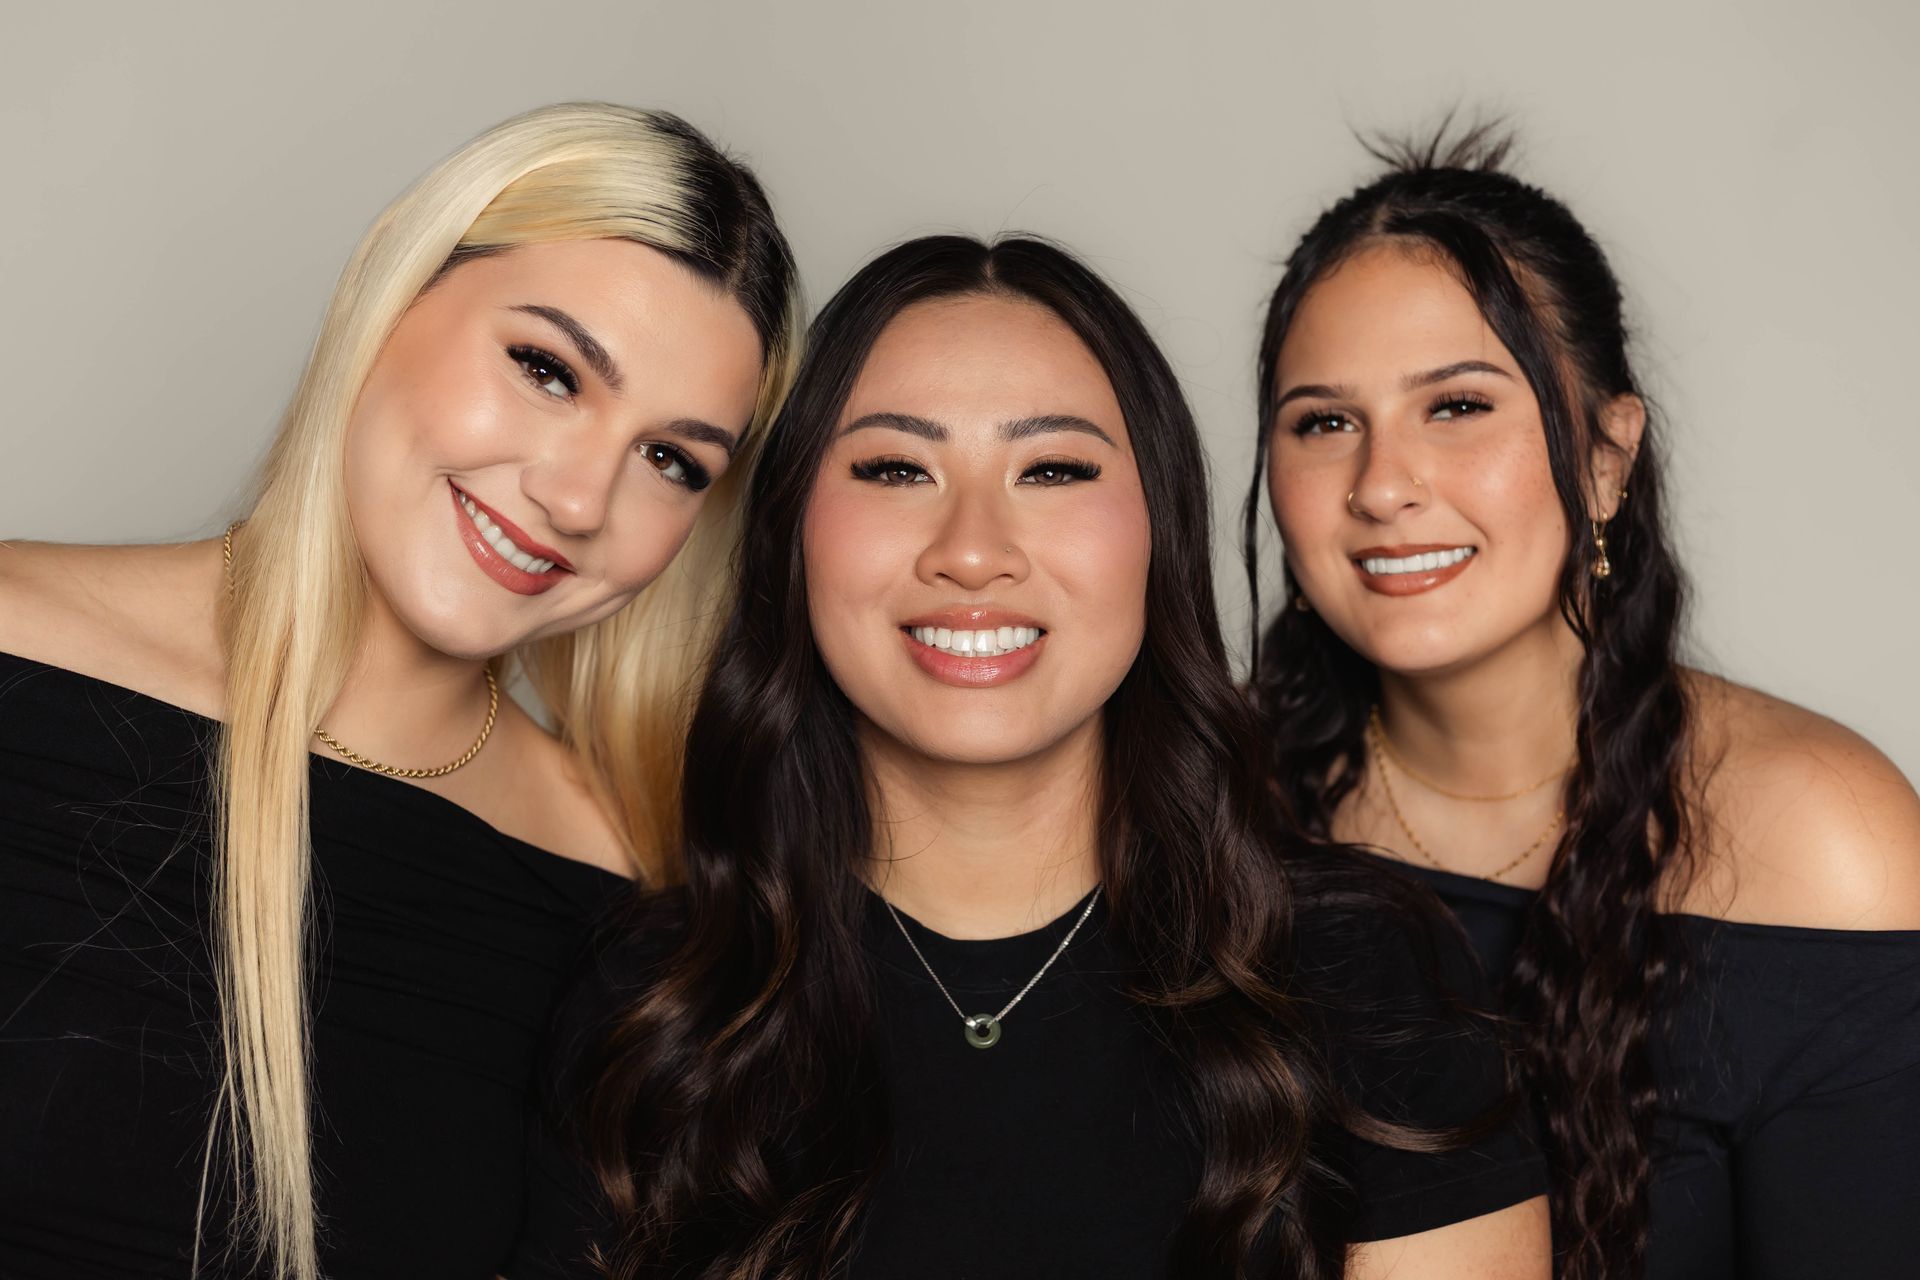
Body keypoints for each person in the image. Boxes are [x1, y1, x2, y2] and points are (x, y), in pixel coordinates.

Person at [510, 235, 1549, 1280]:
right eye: (895, 467)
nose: (971, 547)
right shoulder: (651, 1006)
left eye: (1052, 468)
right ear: (790, 535)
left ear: (1158, 528)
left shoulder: (1368, 973)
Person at [0, 102, 799, 1278]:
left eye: (671, 460)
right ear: (393, 291)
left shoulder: (637, 889)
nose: (581, 498)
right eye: (547, 369)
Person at [1243, 126, 1920, 1280]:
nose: (1382, 484)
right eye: (1324, 422)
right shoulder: (1206, 808)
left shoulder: (1823, 833)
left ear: (1609, 455)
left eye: (1455, 405)